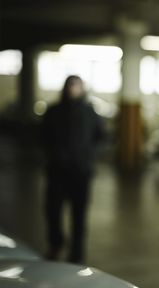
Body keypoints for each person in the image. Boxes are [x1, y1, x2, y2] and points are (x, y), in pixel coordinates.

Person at [41, 75, 105, 263]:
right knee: (52, 211)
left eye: (77, 86)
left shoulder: (89, 112)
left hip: (81, 172)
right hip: (57, 171)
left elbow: (102, 137)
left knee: (79, 214)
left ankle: (77, 254)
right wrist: (53, 154)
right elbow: (42, 137)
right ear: (65, 87)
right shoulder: (53, 111)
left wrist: (90, 155)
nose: (73, 89)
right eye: (70, 85)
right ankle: (56, 243)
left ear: (82, 88)